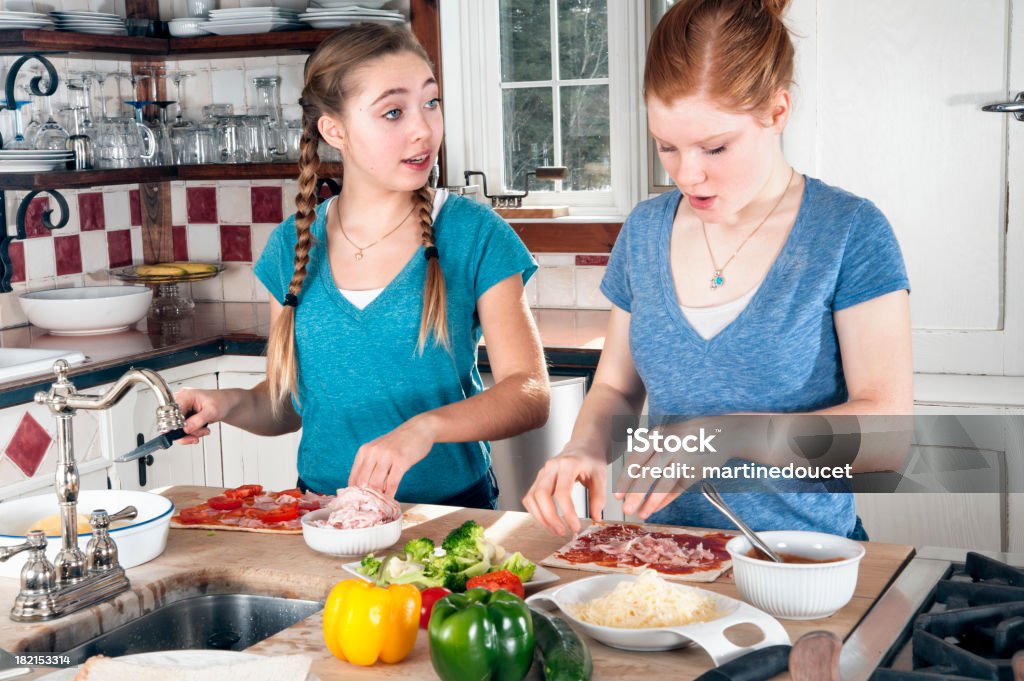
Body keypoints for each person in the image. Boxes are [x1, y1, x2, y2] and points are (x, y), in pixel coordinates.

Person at [523, 0, 913, 538]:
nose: (688, 174)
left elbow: (889, 437)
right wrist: (584, 448)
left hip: (800, 562)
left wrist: (726, 436)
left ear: (777, 112)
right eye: (668, 147)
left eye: (715, 147)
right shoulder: (645, 229)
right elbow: (615, 387)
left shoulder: (849, 231)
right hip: (666, 560)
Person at [175, 24, 550, 509]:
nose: (424, 128)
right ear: (335, 130)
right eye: (393, 112)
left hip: (450, 515)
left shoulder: (475, 233)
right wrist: (226, 405)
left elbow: (529, 392)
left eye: (430, 102)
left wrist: (425, 428)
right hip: (323, 513)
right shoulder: (291, 244)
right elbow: (291, 403)